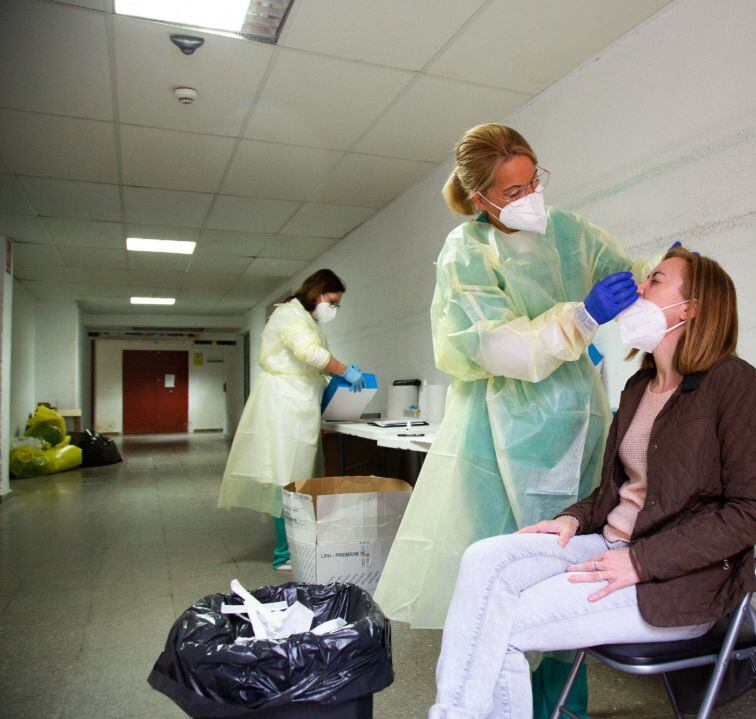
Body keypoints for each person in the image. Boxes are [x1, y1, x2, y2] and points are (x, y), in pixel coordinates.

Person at [427, 247, 756, 718]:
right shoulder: (640, 387)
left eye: (655, 280)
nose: (638, 288)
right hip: (607, 547)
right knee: (484, 559)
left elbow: (752, 510)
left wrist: (641, 560)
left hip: (674, 580)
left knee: (499, 628)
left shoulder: (735, 384)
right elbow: (615, 492)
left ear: (692, 308)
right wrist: (571, 519)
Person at [373, 123, 654, 716]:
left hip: (577, 426)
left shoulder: (572, 233)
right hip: (499, 436)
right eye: (512, 189)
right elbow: (496, 346)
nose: (530, 196)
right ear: (480, 199)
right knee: (501, 575)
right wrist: (580, 317)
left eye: (534, 180)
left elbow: (629, 275)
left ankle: (565, 708)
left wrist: (661, 283)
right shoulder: (466, 253)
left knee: (565, 565)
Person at [218, 269, 367, 570]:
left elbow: (314, 358)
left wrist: (334, 372)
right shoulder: (289, 315)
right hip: (283, 406)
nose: (334, 308)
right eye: (333, 301)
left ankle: (297, 542)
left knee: (297, 476)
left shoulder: (307, 320)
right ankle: (284, 553)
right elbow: (309, 352)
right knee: (284, 476)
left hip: (299, 406)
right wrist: (341, 370)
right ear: (319, 293)